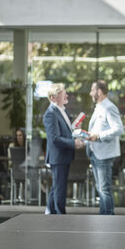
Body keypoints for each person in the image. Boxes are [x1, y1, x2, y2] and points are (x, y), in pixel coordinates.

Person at [43, 83, 85, 214]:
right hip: (58, 156)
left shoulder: (62, 110)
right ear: (53, 97)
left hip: (63, 156)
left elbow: (66, 131)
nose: (67, 95)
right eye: (63, 93)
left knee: (57, 187)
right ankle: (60, 216)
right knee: (60, 189)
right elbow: (55, 138)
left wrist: (75, 128)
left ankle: (50, 212)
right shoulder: (51, 114)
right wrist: (74, 144)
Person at [86, 80, 123, 215]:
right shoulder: (99, 107)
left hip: (104, 155)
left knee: (104, 189)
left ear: (99, 92)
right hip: (95, 153)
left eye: (92, 90)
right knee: (100, 188)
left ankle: (108, 217)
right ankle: (103, 217)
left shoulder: (109, 107)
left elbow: (118, 129)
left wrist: (99, 136)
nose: (90, 93)